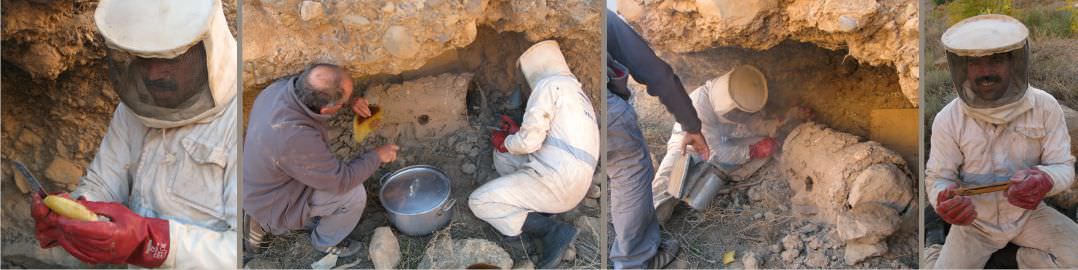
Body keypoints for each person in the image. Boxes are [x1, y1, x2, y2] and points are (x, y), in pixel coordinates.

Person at [30, 0, 239, 268]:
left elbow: (239, 251)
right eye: (142, 58)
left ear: (205, 50)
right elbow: (104, 184)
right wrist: (74, 213)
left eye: (170, 59)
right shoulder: (138, 107)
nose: (152, 73)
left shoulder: (240, 120)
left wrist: (154, 242)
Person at [926, 14, 1078, 268]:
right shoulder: (947, 119)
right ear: (963, 67)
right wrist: (944, 200)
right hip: (974, 222)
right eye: (975, 63)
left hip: (1029, 215)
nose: (985, 71)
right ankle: (933, 246)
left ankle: (1009, 259)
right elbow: (938, 178)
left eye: (996, 60)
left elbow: (1063, 166)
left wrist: (1046, 179)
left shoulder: (1045, 106)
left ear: (1014, 62)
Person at [243, 63, 399, 258]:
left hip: (264, 179)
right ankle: (323, 242)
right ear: (327, 110)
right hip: (274, 199)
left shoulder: (278, 90)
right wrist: (377, 156)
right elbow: (342, 181)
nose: (346, 103)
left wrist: (350, 101)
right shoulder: (295, 138)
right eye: (342, 103)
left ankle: (259, 216)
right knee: (353, 195)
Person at [467, 40, 600, 269]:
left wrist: (507, 140)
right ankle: (537, 209)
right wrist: (512, 141)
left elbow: (528, 143)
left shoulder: (548, 86)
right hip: (576, 179)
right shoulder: (576, 92)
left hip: (558, 181)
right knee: (504, 158)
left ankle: (551, 231)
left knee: (479, 201)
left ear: (535, 70)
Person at [605, 9, 710, 269]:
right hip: (600, 107)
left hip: (556, 104)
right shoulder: (599, 16)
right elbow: (657, 74)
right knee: (629, 169)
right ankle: (634, 259)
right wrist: (692, 126)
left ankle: (624, 225)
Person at [650, 65, 810, 215]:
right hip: (689, 147)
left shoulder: (734, 96)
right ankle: (650, 225)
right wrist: (753, 151)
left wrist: (780, 124)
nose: (740, 116)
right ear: (728, 107)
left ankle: (722, 180)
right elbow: (715, 152)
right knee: (666, 185)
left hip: (723, 143)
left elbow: (751, 122)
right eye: (738, 113)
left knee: (763, 143)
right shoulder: (698, 106)